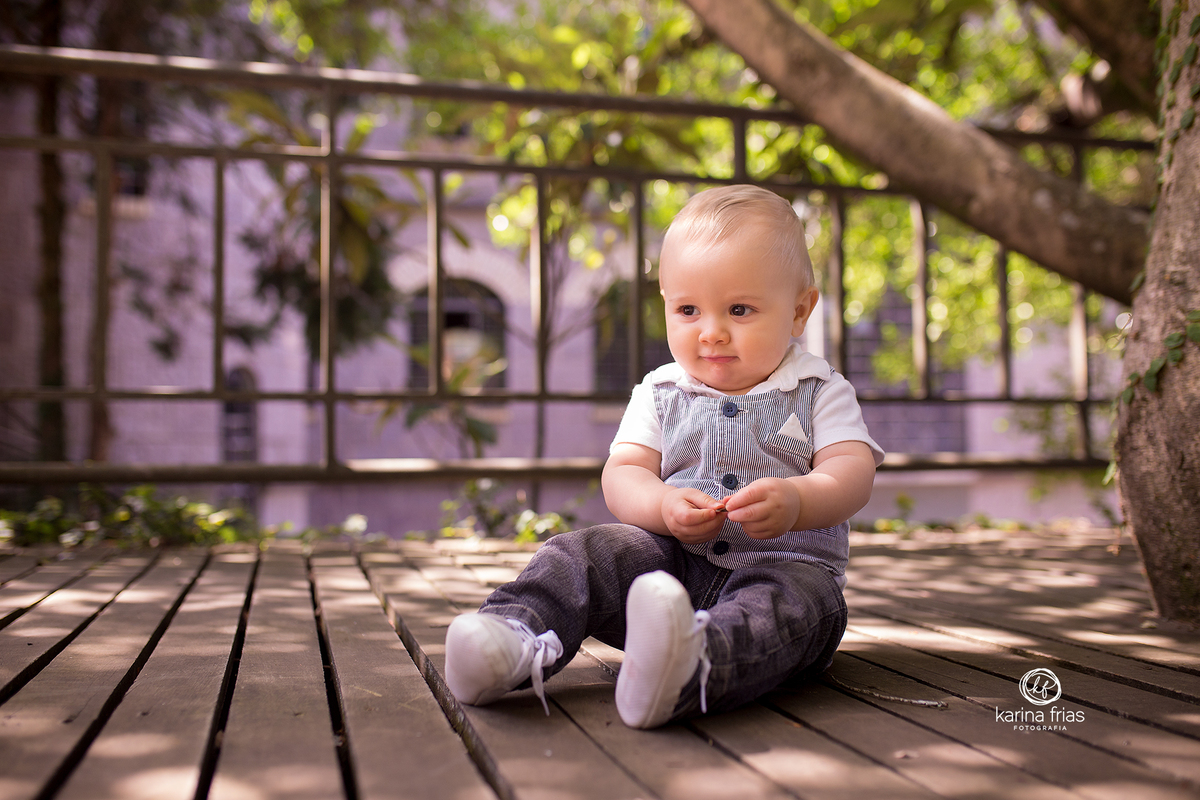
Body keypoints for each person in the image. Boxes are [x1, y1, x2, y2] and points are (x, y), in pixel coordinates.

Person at [443, 184, 884, 729]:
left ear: (799, 312)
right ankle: (510, 635)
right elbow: (624, 473)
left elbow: (852, 472)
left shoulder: (820, 388)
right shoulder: (661, 391)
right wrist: (664, 504)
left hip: (788, 569)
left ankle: (688, 665)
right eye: (689, 309)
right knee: (589, 552)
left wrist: (798, 499)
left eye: (740, 310)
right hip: (671, 568)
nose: (712, 332)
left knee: (792, 610)